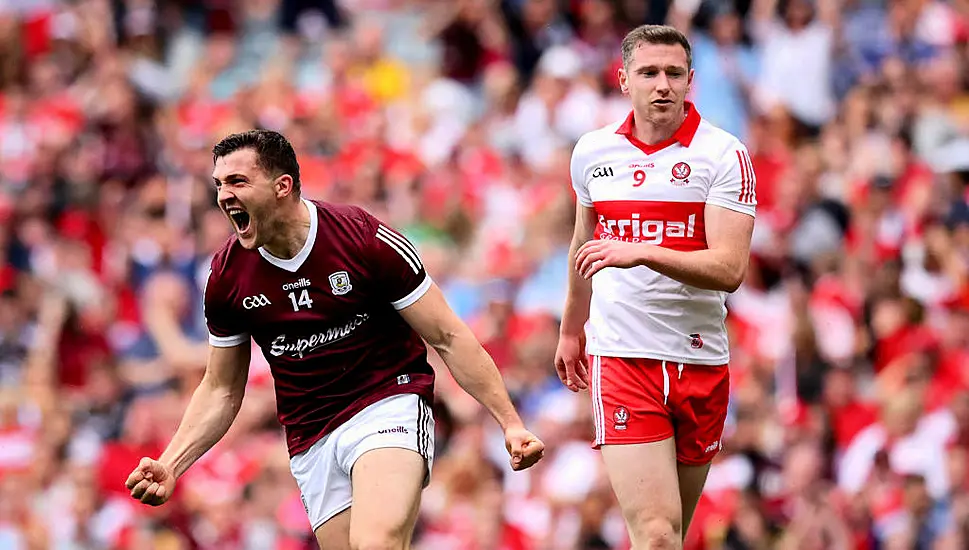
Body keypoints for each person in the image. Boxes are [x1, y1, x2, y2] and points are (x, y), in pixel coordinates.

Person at [124, 130, 545, 550]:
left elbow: (450, 337)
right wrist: (171, 463)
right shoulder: (226, 277)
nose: (224, 195)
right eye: (219, 185)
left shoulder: (362, 238)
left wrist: (510, 422)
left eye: (237, 182)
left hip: (387, 402)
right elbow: (220, 389)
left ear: (282, 186)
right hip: (312, 434)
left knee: (375, 543)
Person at [555, 25, 757, 549]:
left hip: (700, 361)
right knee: (657, 534)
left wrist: (642, 251)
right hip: (622, 357)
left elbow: (730, 269)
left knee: (673, 535)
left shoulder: (723, 155)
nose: (662, 84)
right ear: (624, 80)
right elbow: (583, 244)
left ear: (691, 80)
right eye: (648, 73)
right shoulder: (593, 152)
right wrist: (571, 329)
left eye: (673, 73)